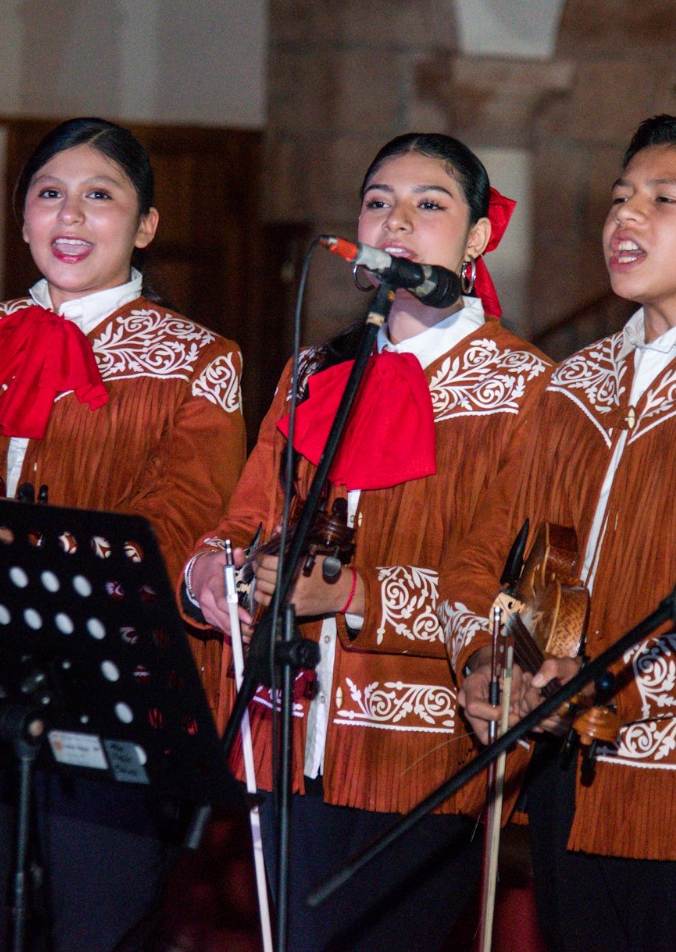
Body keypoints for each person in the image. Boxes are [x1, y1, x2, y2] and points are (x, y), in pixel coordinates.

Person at [0, 117, 247, 952]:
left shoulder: (200, 358)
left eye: (100, 195)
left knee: (99, 929)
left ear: (145, 225)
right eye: (50, 193)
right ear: (22, 215)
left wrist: (24, 568)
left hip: (116, 685)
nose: (70, 215)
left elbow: (184, 516)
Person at [438, 116, 676, 951]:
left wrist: (615, 686)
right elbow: (483, 556)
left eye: (662, 200)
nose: (625, 218)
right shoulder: (572, 381)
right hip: (567, 774)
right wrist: (488, 658)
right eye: (618, 198)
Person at [185, 132, 554, 951]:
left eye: (430, 204)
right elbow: (243, 519)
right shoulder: (312, 371)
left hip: (421, 750)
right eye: (378, 202)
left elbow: (510, 583)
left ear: (477, 237)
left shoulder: (527, 388)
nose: (397, 222)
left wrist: (356, 593)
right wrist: (213, 570)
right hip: (289, 735)